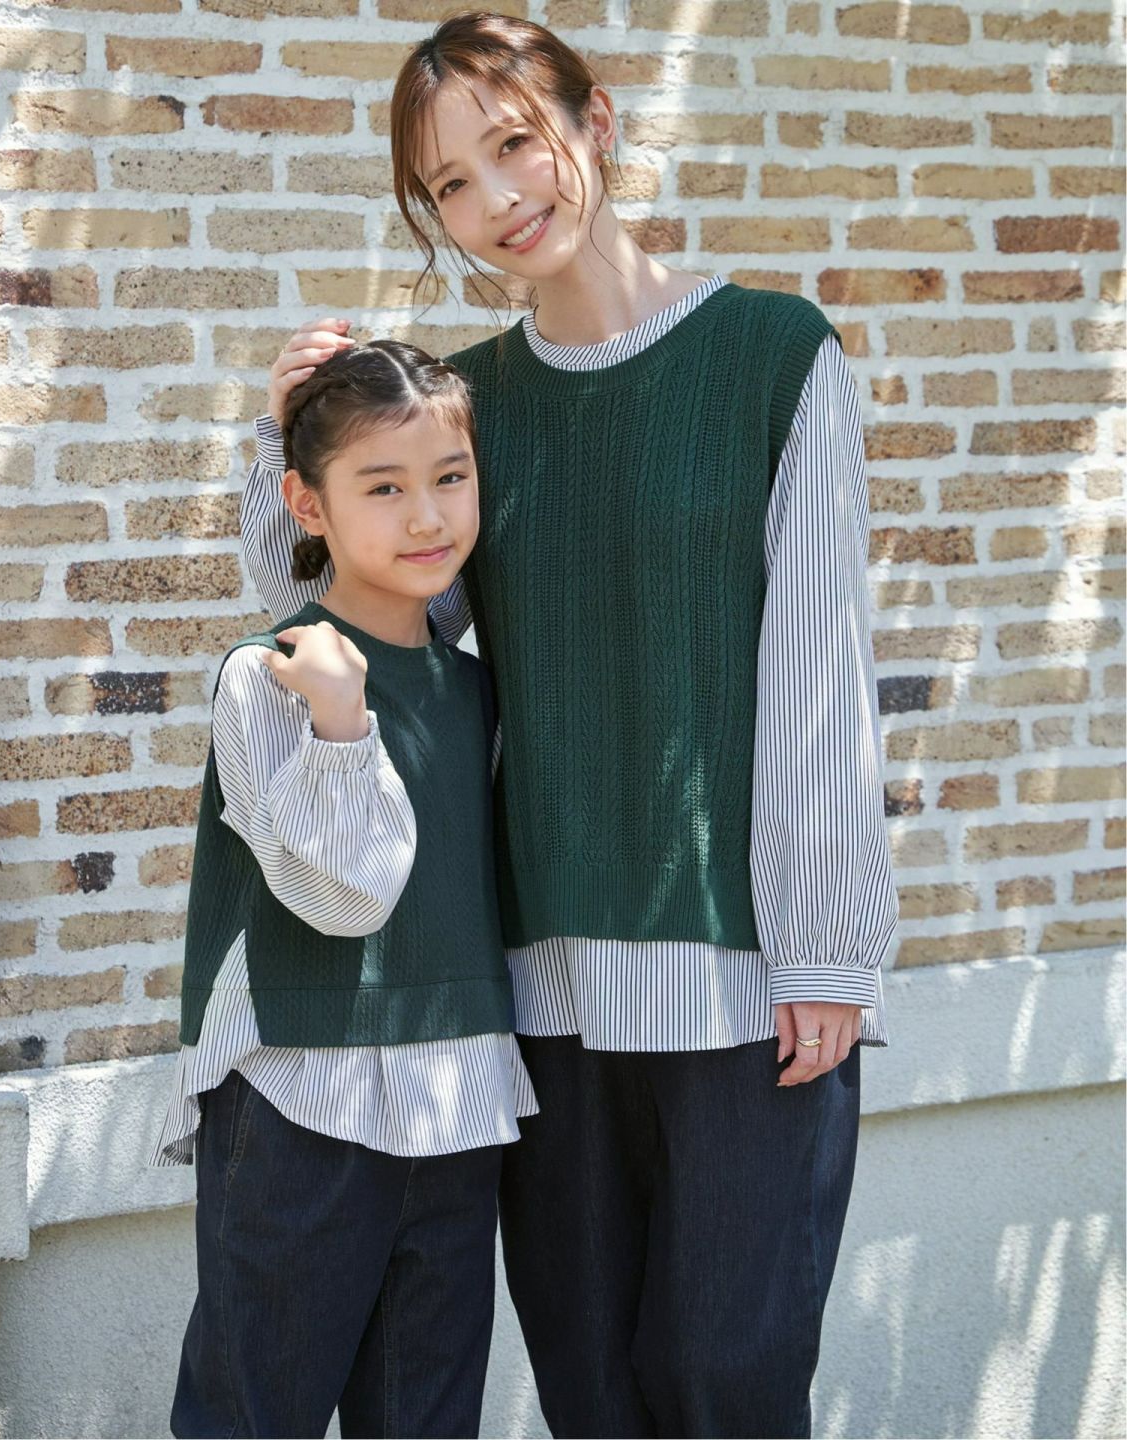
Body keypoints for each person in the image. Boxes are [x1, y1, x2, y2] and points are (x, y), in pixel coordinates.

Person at [241, 13, 899, 1437]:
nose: (495, 200)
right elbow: (369, 627)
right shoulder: (468, 411)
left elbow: (817, 675)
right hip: (541, 990)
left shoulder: (774, 354)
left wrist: (827, 948)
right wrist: (285, 444)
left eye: (514, 145)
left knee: (726, 1380)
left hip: (742, 978)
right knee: (588, 1387)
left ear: (595, 123)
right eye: (451, 184)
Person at [150, 338, 538, 1439]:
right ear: (306, 504)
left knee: (426, 1419)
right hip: (300, 1093)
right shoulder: (270, 677)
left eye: (449, 477)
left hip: (456, 1092)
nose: (427, 517)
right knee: (251, 1414)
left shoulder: (477, 685)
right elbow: (342, 895)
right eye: (383, 487)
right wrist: (340, 722)